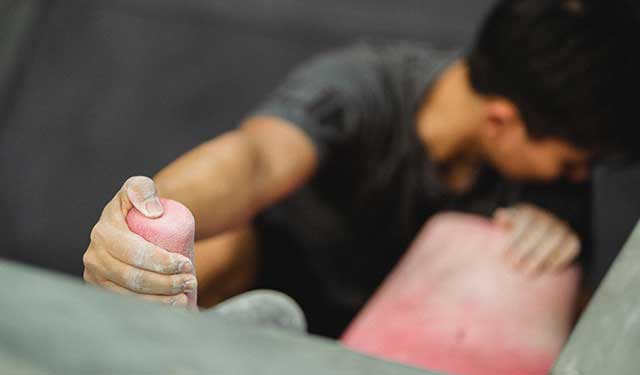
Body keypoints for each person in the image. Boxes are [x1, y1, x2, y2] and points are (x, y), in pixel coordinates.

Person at [82, 0, 639, 336]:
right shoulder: (360, 89)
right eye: (571, 163)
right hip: (262, 300)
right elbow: (256, 160)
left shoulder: (551, 178)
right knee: (222, 249)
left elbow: (577, 331)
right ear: (501, 120)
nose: (575, 177)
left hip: (393, 348)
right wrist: (140, 224)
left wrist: (549, 263)